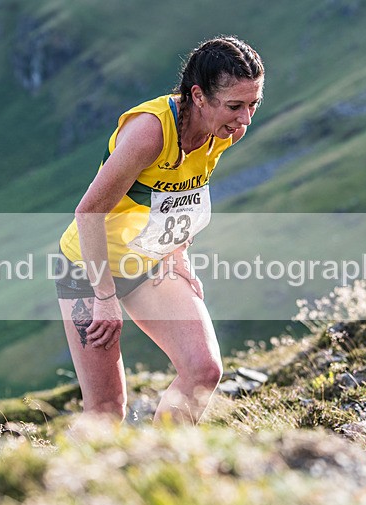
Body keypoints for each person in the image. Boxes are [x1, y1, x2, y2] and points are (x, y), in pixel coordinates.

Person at [54, 36, 264, 426]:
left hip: (150, 261)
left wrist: (178, 253)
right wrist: (104, 295)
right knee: (105, 411)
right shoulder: (150, 133)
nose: (245, 119)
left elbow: (185, 193)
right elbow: (88, 212)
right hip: (89, 267)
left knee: (203, 372)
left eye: (253, 104)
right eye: (235, 106)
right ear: (198, 96)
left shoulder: (226, 132)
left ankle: (164, 468)